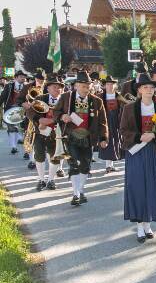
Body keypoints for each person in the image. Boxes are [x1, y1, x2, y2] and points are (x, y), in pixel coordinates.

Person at [120, 73, 156, 243]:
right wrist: (138, 137)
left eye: (151, 87)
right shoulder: (129, 109)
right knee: (137, 187)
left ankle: (148, 224)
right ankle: (139, 226)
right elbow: (123, 131)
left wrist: (155, 136)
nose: (149, 90)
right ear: (139, 90)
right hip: (136, 153)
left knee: (153, 187)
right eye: (146, 87)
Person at [54, 71, 108, 206]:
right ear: (76, 85)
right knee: (74, 164)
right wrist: (62, 116)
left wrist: (104, 138)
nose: (86, 89)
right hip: (71, 136)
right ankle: (76, 194)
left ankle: (81, 190)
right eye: (83, 86)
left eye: (88, 86)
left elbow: (102, 122)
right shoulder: (66, 97)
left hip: (88, 137)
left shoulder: (97, 101)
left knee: (85, 166)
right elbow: (55, 111)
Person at [25, 75, 65, 191]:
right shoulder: (41, 98)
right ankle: (41, 180)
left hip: (56, 133)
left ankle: (51, 180)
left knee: (55, 156)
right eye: (55, 87)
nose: (58, 89)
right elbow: (29, 112)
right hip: (40, 132)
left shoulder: (64, 100)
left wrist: (54, 121)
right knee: (39, 156)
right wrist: (38, 120)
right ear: (48, 88)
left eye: (60, 87)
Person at [18, 69, 47, 168]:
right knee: (31, 137)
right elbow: (19, 99)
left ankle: (42, 159)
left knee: (43, 139)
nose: (41, 81)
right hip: (30, 116)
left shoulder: (48, 87)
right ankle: (32, 160)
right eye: (39, 79)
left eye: (43, 79)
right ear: (35, 78)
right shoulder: (28, 87)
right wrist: (23, 103)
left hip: (44, 116)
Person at [98, 76, 125, 173]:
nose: (110, 86)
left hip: (116, 122)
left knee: (115, 142)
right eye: (108, 84)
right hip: (105, 122)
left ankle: (111, 165)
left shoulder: (118, 96)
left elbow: (125, 106)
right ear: (105, 86)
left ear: (115, 86)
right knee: (107, 143)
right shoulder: (100, 96)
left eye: (112, 84)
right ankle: (108, 165)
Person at [0, 70, 28, 154]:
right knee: (12, 129)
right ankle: (14, 147)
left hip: (23, 111)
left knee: (24, 129)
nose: (23, 78)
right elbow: (3, 97)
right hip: (10, 110)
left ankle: (26, 149)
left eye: (24, 77)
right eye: (21, 77)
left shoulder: (27, 87)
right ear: (16, 78)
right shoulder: (9, 86)